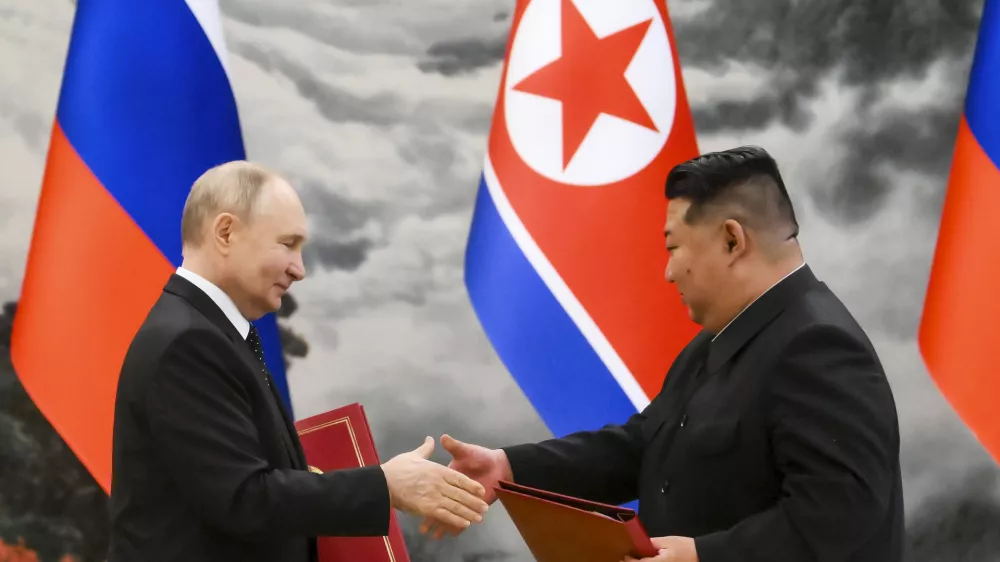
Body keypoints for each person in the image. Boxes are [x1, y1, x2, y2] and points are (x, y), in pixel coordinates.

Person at [428, 146, 904, 562]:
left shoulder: (818, 346)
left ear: (732, 240)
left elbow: (841, 513)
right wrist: (510, 468)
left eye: (673, 247)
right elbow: (646, 447)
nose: (669, 273)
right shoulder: (718, 340)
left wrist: (704, 556)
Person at [108, 161, 488, 562]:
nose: (299, 269)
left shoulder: (208, 331)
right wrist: (385, 486)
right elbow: (244, 499)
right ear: (225, 232)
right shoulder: (189, 342)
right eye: (287, 244)